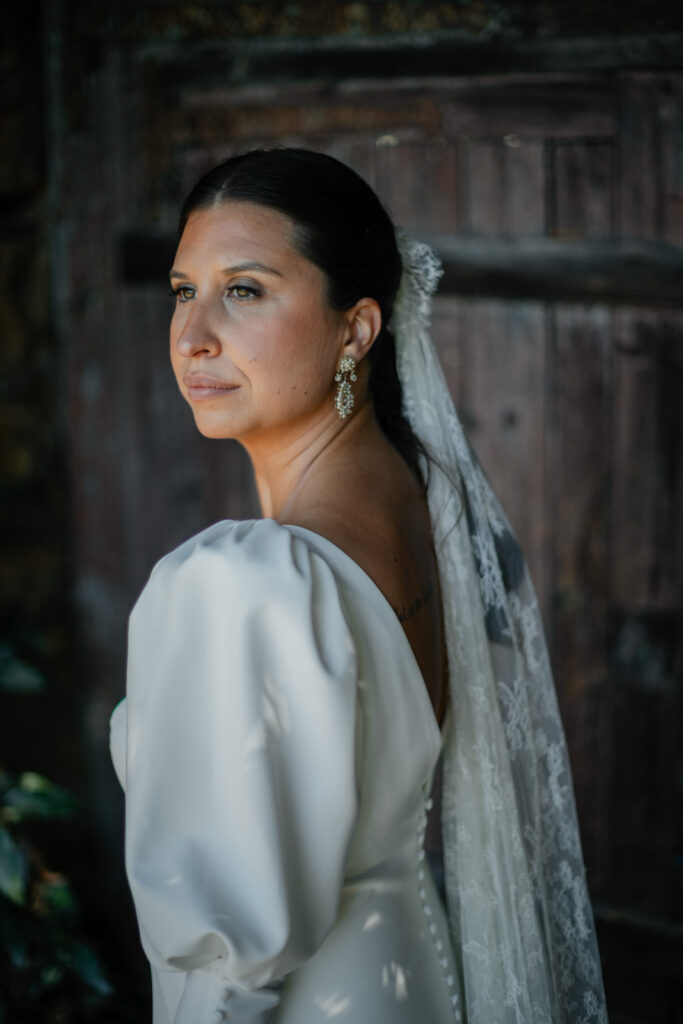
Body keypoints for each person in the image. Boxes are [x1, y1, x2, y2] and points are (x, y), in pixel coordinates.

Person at [109, 148, 607, 1024]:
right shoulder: (433, 506)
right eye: (185, 290)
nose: (194, 335)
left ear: (357, 328)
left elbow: (225, 971)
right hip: (414, 970)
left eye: (247, 289)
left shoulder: (240, 583)